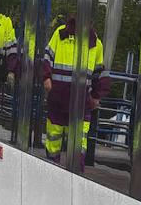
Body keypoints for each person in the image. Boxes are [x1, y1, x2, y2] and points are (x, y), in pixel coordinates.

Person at [39, 16, 110, 163]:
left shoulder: (96, 44)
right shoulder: (60, 34)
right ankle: (52, 164)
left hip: (81, 102)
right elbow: (47, 58)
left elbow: (100, 73)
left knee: (79, 141)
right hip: (59, 97)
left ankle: (76, 170)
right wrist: (46, 78)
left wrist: (96, 96)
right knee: (54, 136)